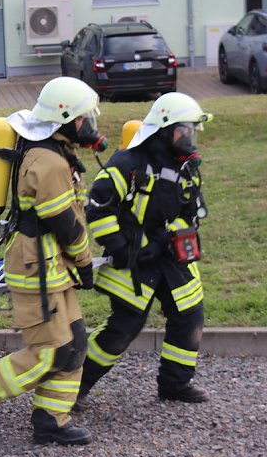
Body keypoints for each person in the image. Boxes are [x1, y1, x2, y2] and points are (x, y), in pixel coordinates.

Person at [0, 76, 106, 446]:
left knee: (74, 343)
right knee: (51, 349)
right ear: (67, 118)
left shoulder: (54, 152)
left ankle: (51, 421)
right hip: (38, 268)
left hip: (54, 268)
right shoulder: (49, 162)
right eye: (87, 118)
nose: (91, 125)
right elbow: (65, 223)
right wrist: (85, 262)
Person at [75, 92, 212, 411]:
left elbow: (188, 208)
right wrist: (120, 248)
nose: (188, 137)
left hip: (172, 255)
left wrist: (182, 235)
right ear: (164, 130)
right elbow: (98, 207)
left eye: (192, 130)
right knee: (125, 327)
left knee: (190, 314)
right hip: (135, 260)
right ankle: (76, 385)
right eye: (183, 130)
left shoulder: (184, 165)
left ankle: (175, 384)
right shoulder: (129, 162)